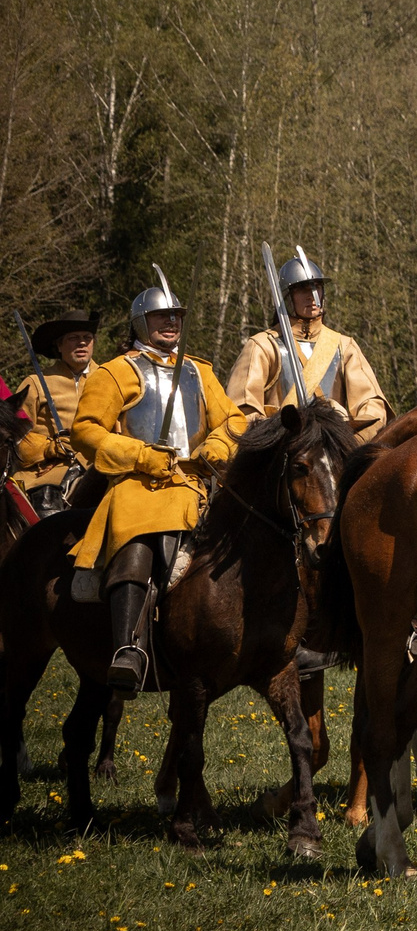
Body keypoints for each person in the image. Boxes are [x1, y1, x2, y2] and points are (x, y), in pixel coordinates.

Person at [68, 274, 246, 692]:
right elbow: (87, 430)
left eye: (176, 315)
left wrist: (216, 448)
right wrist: (140, 456)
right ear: (139, 322)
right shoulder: (116, 372)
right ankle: (128, 648)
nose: (170, 322)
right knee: (137, 527)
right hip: (138, 482)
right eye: (160, 315)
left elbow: (233, 420)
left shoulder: (200, 372)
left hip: (196, 483)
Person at [226, 247, 390, 440]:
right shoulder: (262, 346)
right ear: (287, 297)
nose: (312, 296)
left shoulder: (345, 347)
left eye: (317, 288)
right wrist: (277, 437)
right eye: (303, 289)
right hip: (282, 449)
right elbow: (242, 409)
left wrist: (350, 442)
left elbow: (372, 405)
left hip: (334, 445)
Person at [11, 309, 98, 516]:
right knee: (48, 511)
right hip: (49, 472)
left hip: (99, 464)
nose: (82, 343)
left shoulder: (109, 378)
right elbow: (15, 436)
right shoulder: (35, 383)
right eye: (73, 338)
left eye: (87, 338)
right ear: (59, 345)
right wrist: (50, 447)